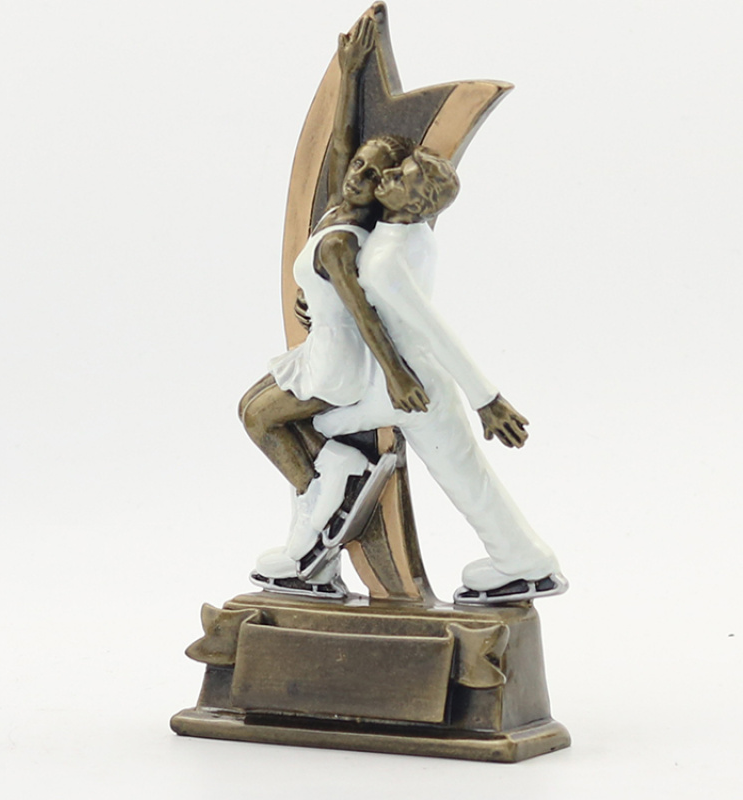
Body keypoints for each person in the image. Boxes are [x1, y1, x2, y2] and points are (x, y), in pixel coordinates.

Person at [312, 148, 568, 603]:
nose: (388, 175)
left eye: (401, 177)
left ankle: (526, 565)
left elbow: (435, 330)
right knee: (465, 473)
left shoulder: (384, 259)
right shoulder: (413, 235)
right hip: (419, 381)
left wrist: (486, 399)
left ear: (415, 203)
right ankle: (525, 559)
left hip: (409, 386)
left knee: (317, 423)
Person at [238, 14, 425, 595]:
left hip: (338, 361)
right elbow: (341, 145)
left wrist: (396, 375)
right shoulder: (340, 211)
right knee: (253, 409)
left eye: (371, 175)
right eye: (359, 166)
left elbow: (365, 313)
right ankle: (325, 495)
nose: (356, 175)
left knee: (257, 417)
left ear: (385, 190)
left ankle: (323, 498)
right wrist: (350, 77)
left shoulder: (343, 241)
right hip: (323, 345)